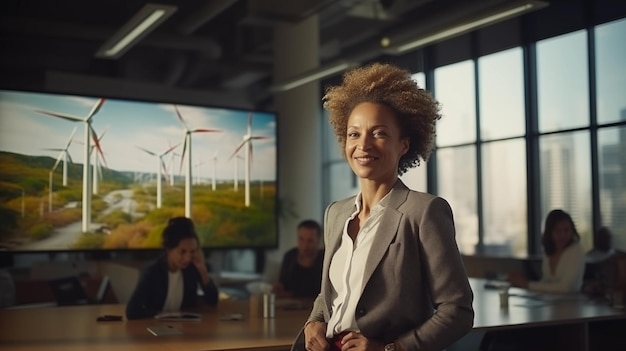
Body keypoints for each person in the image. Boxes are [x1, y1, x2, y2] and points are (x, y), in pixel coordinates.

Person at [303, 63, 474, 351]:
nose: (364, 145)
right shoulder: (336, 213)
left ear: (403, 145)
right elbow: (332, 293)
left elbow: (458, 311)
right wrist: (314, 321)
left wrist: (391, 349)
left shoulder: (424, 212)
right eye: (354, 134)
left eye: (379, 133)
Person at [125, 217, 219, 319]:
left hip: (186, 328)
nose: (187, 258)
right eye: (182, 252)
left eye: (192, 251)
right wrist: (164, 316)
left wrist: (202, 268)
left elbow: (212, 301)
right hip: (157, 327)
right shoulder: (153, 271)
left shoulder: (192, 268)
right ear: (169, 249)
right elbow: (132, 311)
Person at [508, 209, 585, 293]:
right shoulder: (549, 251)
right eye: (557, 231)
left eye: (566, 230)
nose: (562, 235)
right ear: (550, 233)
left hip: (572, 304)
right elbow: (545, 283)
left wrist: (527, 284)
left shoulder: (576, 251)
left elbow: (566, 287)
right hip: (551, 303)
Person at [274, 219, 324, 298]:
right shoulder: (289, 257)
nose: (305, 245)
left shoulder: (325, 259)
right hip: (290, 306)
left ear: (318, 241)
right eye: (301, 239)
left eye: (310, 241)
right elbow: (282, 284)